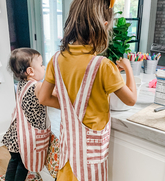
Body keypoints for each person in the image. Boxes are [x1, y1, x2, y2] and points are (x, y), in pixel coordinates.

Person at [38, 0, 137, 180]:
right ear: (104, 26)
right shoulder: (103, 66)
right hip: (91, 157)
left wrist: (70, 107)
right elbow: (130, 100)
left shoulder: (55, 60)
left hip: (67, 154)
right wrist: (128, 69)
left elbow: (43, 98)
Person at [2, 48, 56, 181]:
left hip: (15, 135)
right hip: (25, 138)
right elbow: (54, 94)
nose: (44, 67)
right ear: (30, 71)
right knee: (24, 165)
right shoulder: (37, 86)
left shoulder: (21, 84)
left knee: (14, 162)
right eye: (42, 64)